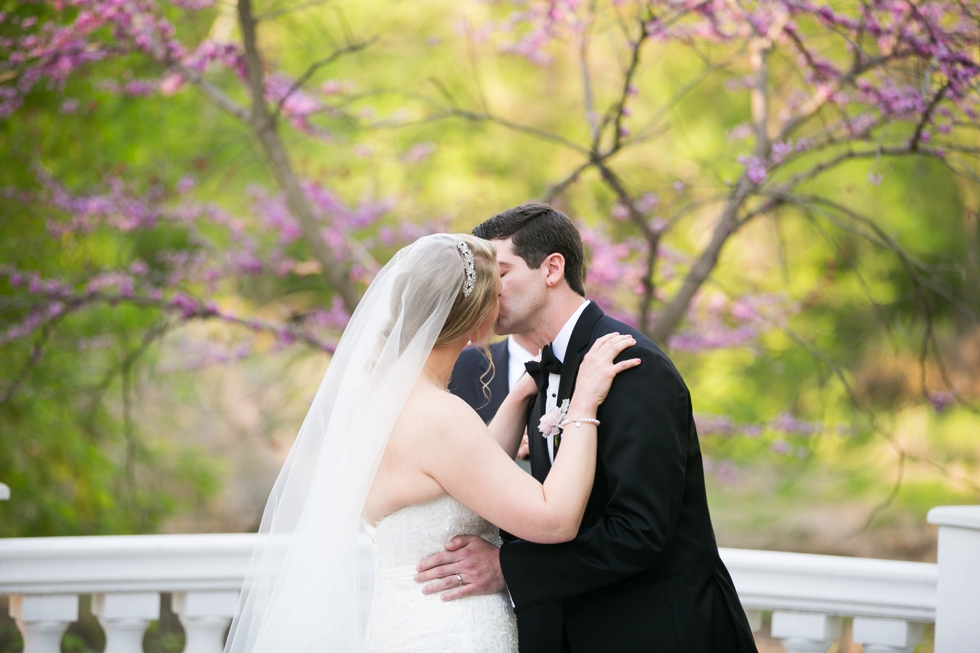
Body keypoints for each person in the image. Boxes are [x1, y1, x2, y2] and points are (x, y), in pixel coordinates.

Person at [223, 233, 638, 653]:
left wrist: (518, 397)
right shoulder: (441, 417)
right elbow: (555, 519)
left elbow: (459, 473)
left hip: (398, 627)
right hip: (457, 632)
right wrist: (584, 400)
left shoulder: (376, 405)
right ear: (476, 322)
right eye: (497, 294)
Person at [415, 205, 759, 653]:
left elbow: (641, 531)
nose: (486, 291)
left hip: (659, 632)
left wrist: (508, 567)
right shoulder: (544, 373)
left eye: (500, 272)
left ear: (552, 269)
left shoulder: (632, 367)